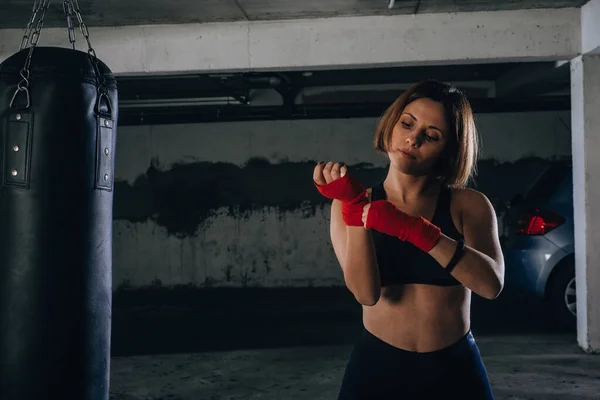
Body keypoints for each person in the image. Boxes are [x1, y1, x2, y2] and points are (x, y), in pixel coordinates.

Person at [313, 80, 504, 399]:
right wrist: (355, 210)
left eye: (431, 136)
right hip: (377, 366)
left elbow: (491, 285)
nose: (412, 139)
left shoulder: (468, 204)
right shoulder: (351, 201)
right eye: (407, 123)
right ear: (391, 123)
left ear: (448, 149)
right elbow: (365, 294)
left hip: (454, 367)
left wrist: (415, 230)